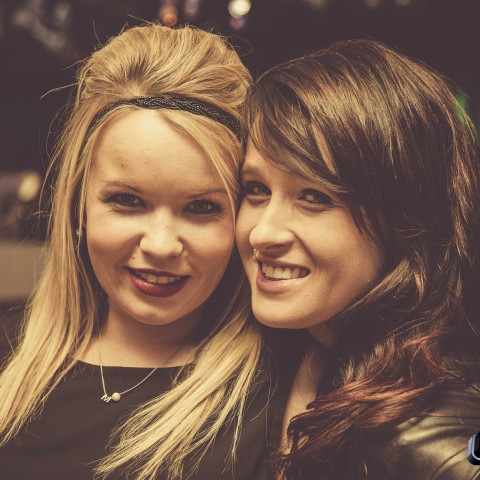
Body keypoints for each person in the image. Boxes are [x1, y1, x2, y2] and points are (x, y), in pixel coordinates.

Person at [0, 23, 278, 480]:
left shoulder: (283, 395)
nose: (161, 245)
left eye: (202, 207)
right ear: (78, 203)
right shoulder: (8, 357)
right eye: (127, 201)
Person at [236, 39, 480, 480]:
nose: (262, 233)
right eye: (256, 190)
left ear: (406, 219)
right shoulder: (291, 351)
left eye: (314, 196)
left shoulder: (429, 440)